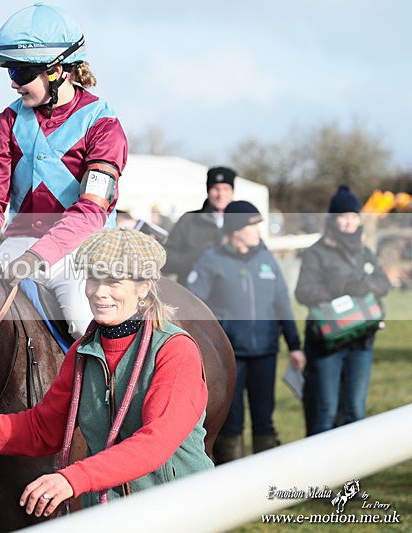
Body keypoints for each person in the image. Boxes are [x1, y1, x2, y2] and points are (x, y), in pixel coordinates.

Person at [0, 227, 213, 513]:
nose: (98, 292)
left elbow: (154, 443)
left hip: (179, 511)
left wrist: (73, 478)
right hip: (108, 515)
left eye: (114, 282)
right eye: (93, 279)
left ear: (144, 288)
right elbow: (42, 429)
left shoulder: (175, 351)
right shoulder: (82, 352)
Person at [0, 3, 128, 339]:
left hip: (83, 249)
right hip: (17, 244)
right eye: (10, 72)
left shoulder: (103, 125)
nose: (13, 85)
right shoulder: (7, 122)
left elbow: (91, 211)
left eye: (20, 74)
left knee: (84, 323)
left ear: (58, 71)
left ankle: (107, 388)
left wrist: (36, 256)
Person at [187, 201, 305, 464]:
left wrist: (294, 345)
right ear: (236, 229)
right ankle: (232, 480)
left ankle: (265, 480)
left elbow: (282, 303)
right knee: (231, 422)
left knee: (264, 418)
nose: (258, 230)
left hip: (266, 352)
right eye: (253, 225)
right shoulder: (211, 260)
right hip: (229, 357)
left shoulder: (267, 259)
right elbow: (194, 304)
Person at [295, 185, 390, 436]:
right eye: (343, 216)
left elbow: (383, 283)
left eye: (352, 216)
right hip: (327, 342)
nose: (348, 222)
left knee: (356, 411)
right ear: (333, 219)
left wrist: (364, 286)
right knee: (325, 410)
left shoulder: (364, 252)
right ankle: (321, 472)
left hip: (361, 342)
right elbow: (303, 291)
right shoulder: (316, 252)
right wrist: (341, 290)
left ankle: (353, 472)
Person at [164, 166, 236, 286]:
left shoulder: (242, 221)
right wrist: (197, 258)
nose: (221, 195)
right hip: (194, 297)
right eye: (216, 189)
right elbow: (167, 259)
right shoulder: (189, 220)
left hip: (231, 295)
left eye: (226, 189)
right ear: (208, 191)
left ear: (232, 192)